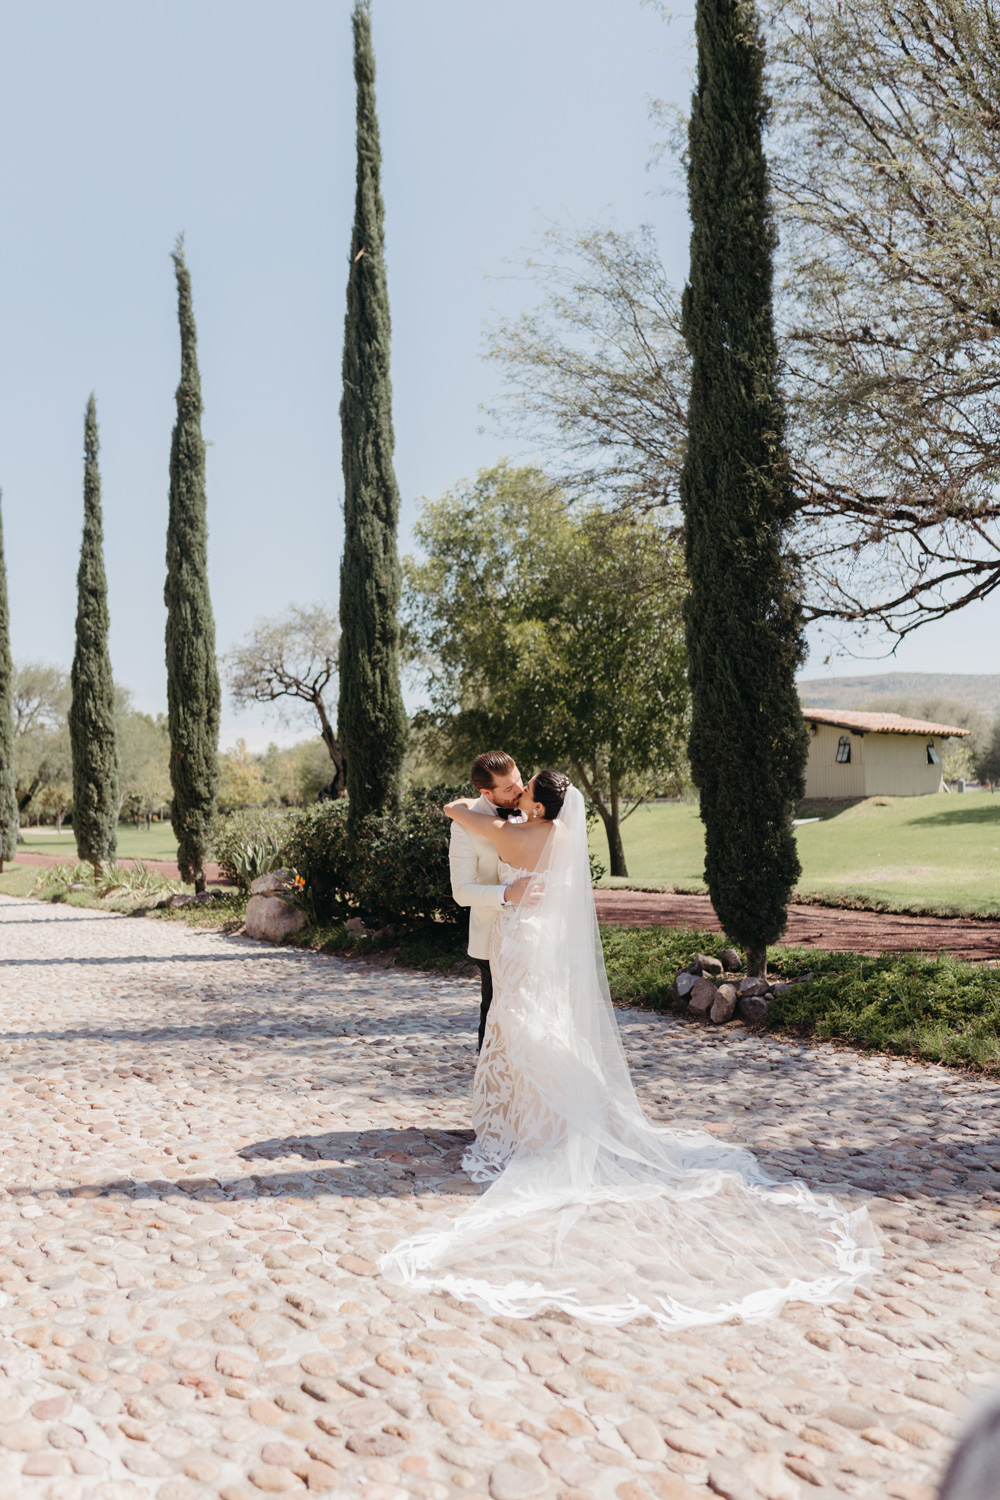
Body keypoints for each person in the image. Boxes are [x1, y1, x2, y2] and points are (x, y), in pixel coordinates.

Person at [381, 773, 882, 1330]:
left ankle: (533, 1126)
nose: (517, 796)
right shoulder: (564, 838)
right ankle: (542, 1118)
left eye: (525, 792)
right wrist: (511, 814)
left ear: (542, 805)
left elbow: (458, 811)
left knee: (518, 1025)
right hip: (542, 941)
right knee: (538, 1026)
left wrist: (477, 808)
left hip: (522, 941)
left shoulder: (514, 836)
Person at [448, 750, 527, 1051]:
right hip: (493, 938)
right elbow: (462, 891)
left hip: (534, 934)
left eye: (518, 780)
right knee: (495, 1017)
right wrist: (506, 894)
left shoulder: (532, 806)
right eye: (509, 788)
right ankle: (492, 1089)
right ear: (486, 792)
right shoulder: (464, 825)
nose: (519, 790)